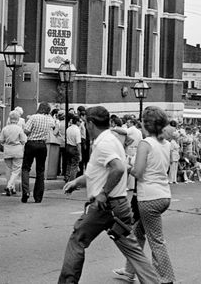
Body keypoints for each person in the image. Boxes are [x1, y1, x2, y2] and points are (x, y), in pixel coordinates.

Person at [58, 106, 160, 284]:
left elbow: (118, 169)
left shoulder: (104, 143)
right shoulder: (111, 140)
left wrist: (103, 193)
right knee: (132, 249)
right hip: (119, 205)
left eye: (85, 123)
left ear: (90, 123)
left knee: (77, 239)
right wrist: (77, 182)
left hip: (105, 207)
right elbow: (99, 173)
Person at [113, 107, 175, 284]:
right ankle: (129, 270)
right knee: (137, 233)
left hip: (148, 196)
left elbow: (138, 173)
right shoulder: (166, 144)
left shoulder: (145, 143)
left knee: (156, 240)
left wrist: (127, 165)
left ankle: (165, 277)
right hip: (163, 194)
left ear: (145, 125)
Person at [22, 102, 55, 204]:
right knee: (40, 170)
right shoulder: (49, 119)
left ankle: (26, 191)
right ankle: (38, 196)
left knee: (26, 168)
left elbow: (26, 130)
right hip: (42, 145)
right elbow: (53, 127)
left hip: (31, 143)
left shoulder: (33, 117)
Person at [0, 110, 27, 196]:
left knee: (9, 170)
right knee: (16, 171)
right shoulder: (19, 129)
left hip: (7, 150)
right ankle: (9, 186)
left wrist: (5, 144)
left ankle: (12, 187)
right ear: (18, 119)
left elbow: (1, 140)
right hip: (17, 150)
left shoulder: (5, 128)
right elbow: (23, 140)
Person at [65, 114, 83, 183]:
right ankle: (72, 182)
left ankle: (67, 178)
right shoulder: (77, 130)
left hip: (68, 146)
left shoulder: (68, 129)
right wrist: (80, 154)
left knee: (69, 164)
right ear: (77, 122)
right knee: (74, 166)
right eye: (80, 121)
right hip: (74, 148)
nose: (80, 123)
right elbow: (78, 143)